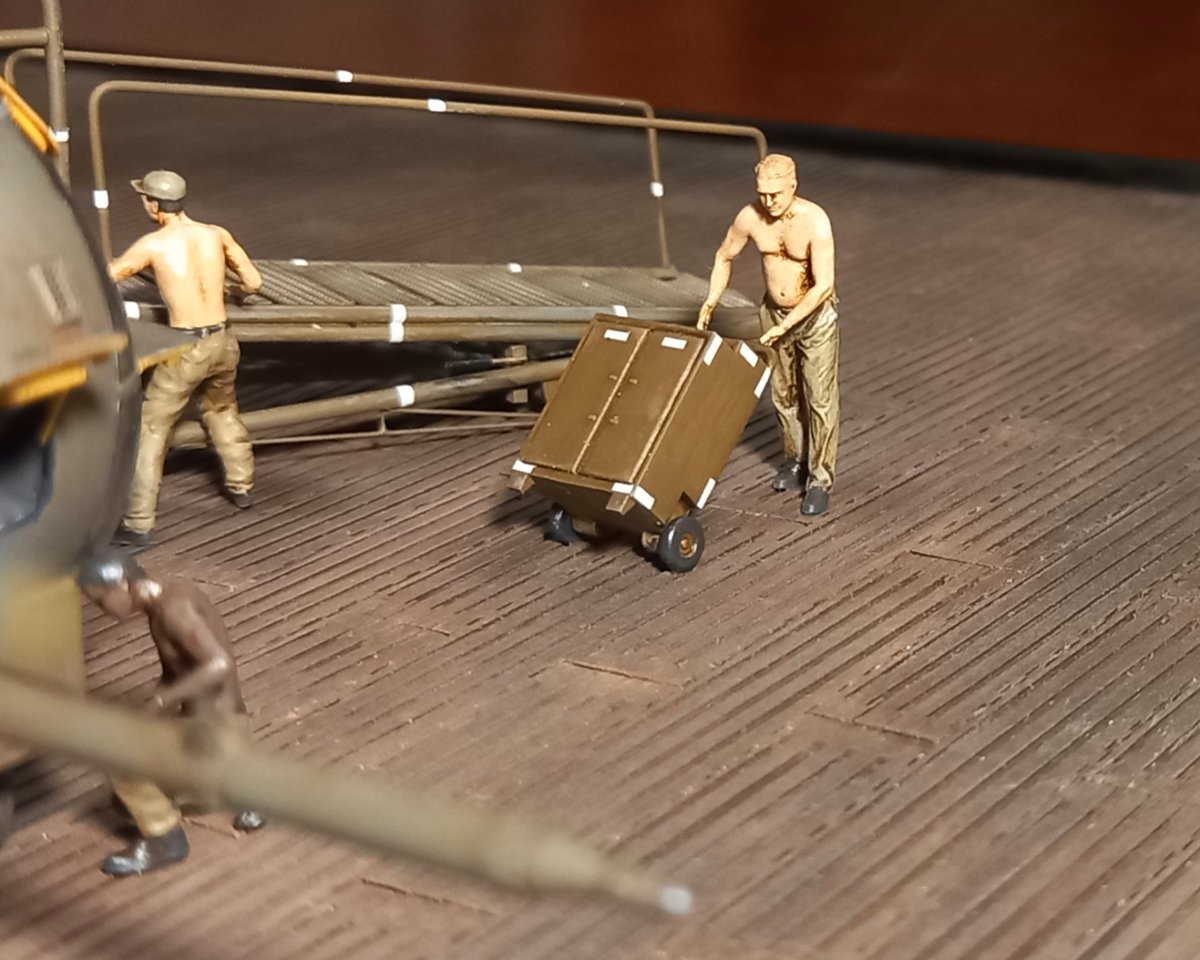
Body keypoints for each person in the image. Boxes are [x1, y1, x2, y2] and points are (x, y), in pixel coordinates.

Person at [79, 552, 264, 877]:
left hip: (216, 731)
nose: (103, 610)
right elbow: (180, 669)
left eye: (101, 600)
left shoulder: (174, 610)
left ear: (122, 585)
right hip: (214, 723)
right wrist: (153, 707)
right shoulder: (167, 599)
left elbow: (219, 663)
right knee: (130, 790)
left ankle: (164, 840)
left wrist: (163, 699)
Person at [109, 170, 262, 547]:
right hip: (223, 340)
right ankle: (241, 485)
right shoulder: (216, 233)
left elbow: (110, 275)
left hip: (187, 346)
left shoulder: (153, 244)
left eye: (145, 199)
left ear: (154, 205)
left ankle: (138, 522)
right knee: (222, 408)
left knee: (151, 427)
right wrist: (232, 292)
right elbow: (253, 283)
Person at [697, 154, 839, 516]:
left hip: (814, 318)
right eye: (762, 193)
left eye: (776, 193)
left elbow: (824, 285)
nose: (769, 201)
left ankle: (820, 479)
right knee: (782, 394)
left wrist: (787, 326)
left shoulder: (814, 220)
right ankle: (795, 460)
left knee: (820, 398)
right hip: (774, 313)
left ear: (793, 186)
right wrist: (711, 300)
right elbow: (724, 255)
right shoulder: (750, 217)